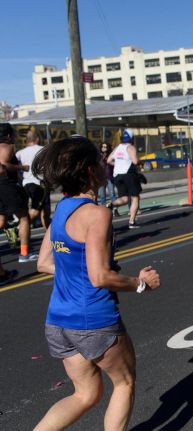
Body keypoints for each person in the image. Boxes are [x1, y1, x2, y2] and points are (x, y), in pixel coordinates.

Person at [32, 135, 160, 431]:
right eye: (102, 162)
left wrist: (76, 273)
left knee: (86, 394)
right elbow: (99, 277)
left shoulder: (62, 208)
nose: (107, 166)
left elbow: (43, 263)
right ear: (90, 171)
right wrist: (140, 283)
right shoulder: (97, 214)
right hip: (93, 320)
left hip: (59, 320)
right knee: (124, 382)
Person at [0, 123, 38, 262]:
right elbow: (2, 165)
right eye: (14, 134)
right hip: (8, 187)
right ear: (9, 136)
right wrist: (21, 167)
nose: (16, 137)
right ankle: (24, 253)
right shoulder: (8, 147)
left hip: (2, 187)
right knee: (24, 218)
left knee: (2, 220)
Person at [107, 130, 142, 229]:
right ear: (132, 138)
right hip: (129, 174)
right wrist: (141, 162)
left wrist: (118, 164)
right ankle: (131, 222)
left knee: (125, 198)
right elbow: (135, 161)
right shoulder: (130, 147)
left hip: (117, 175)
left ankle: (111, 205)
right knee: (135, 197)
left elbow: (109, 160)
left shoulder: (118, 148)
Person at [17, 130, 51, 228]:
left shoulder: (20, 152)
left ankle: (49, 236)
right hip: (39, 184)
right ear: (37, 139)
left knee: (45, 210)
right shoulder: (43, 149)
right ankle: (17, 228)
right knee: (35, 211)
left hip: (26, 184)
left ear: (26, 141)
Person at [97, 142, 116, 207]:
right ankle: (103, 208)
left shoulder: (110, 155)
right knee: (102, 195)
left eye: (105, 147)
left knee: (112, 194)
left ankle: (115, 209)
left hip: (109, 176)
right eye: (103, 147)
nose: (104, 148)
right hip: (101, 178)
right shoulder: (98, 156)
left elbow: (114, 164)